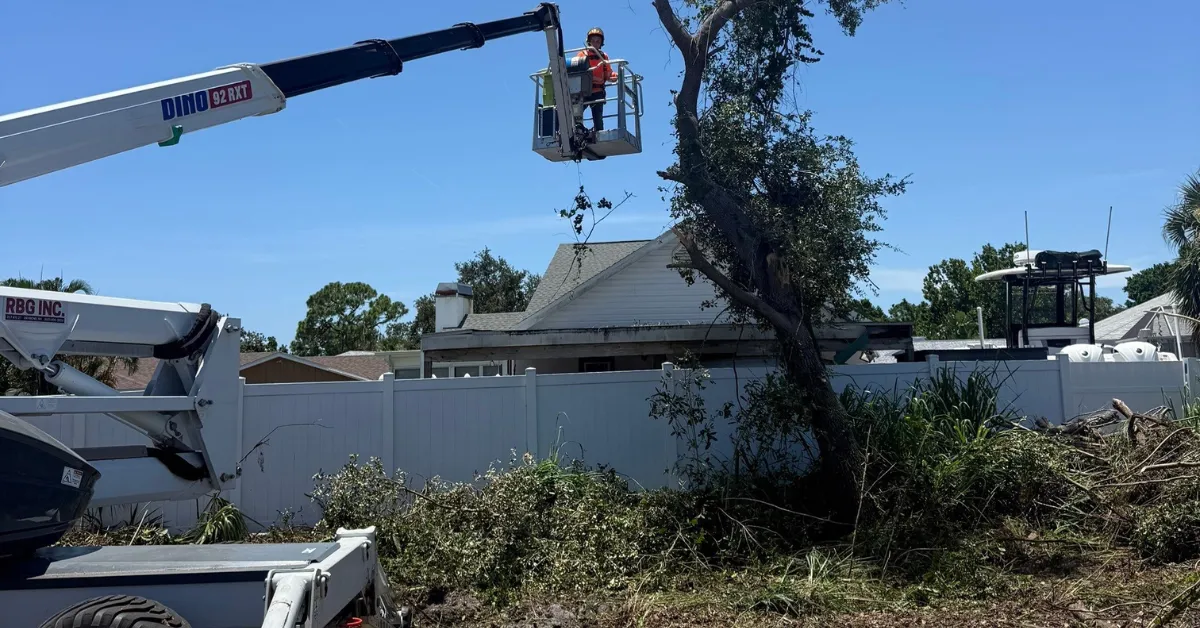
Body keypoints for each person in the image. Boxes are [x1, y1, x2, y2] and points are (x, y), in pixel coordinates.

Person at [574, 27, 617, 135]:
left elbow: (608, 72)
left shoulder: (603, 56)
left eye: (598, 41)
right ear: (589, 41)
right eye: (593, 41)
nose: (595, 43)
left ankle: (598, 133)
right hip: (583, 91)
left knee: (598, 117)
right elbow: (575, 71)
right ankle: (577, 132)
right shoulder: (582, 55)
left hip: (598, 91)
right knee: (575, 114)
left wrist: (613, 76)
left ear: (601, 43)